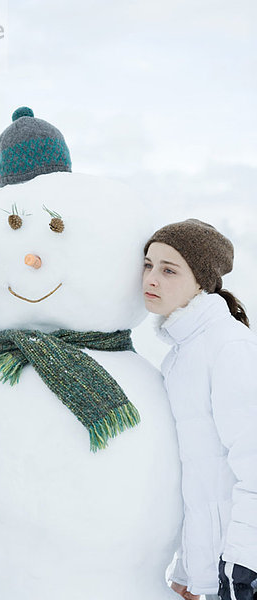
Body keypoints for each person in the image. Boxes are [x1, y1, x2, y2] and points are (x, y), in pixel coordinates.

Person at [142, 219, 257, 600]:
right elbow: (199, 479)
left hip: (243, 565)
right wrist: (189, 570)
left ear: (201, 281)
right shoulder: (178, 358)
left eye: (168, 269)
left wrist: (244, 562)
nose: (151, 279)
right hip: (218, 569)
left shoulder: (227, 346)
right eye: (148, 265)